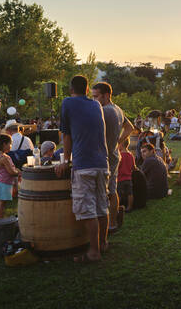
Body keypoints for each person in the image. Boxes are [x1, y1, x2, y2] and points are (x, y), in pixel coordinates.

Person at [55, 75, 110, 262]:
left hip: (83, 165)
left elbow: (67, 135)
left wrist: (65, 160)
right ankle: (103, 243)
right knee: (102, 207)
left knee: (88, 210)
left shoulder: (68, 103)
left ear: (71, 89)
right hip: (103, 164)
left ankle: (93, 252)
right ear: (87, 90)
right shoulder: (96, 105)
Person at [92, 82, 134, 232]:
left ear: (106, 95)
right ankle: (113, 223)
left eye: (96, 96)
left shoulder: (105, 111)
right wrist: (118, 141)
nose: (94, 100)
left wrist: (116, 142)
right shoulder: (118, 109)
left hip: (106, 156)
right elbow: (130, 128)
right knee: (112, 190)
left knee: (106, 191)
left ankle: (108, 224)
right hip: (114, 154)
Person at [0, 134, 20, 218]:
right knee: (1, 202)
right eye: (10, 143)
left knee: (3, 202)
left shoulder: (1, 155)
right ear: (4, 144)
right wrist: (19, 172)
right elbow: (11, 172)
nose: (11, 146)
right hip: (4, 182)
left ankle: (1, 218)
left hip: (5, 182)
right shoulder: (3, 158)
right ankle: (0, 219)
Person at [117, 138, 135, 212]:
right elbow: (133, 167)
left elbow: (117, 166)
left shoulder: (120, 155)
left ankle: (117, 206)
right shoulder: (131, 155)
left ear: (121, 144)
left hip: (120, 178)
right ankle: (129, 207)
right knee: (130, 193)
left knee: (119, 194)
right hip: (129, 178)